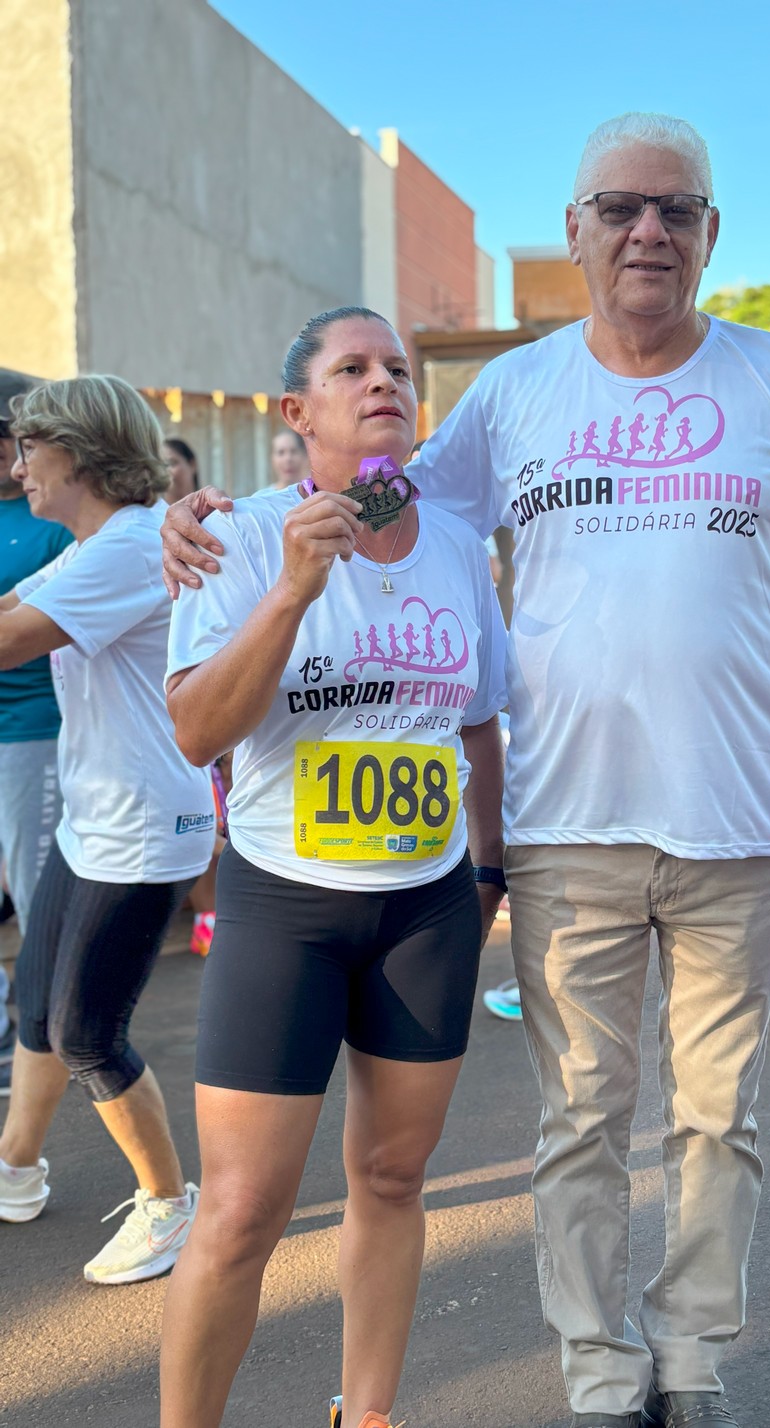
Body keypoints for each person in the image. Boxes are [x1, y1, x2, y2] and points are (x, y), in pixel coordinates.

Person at [161, 115, 770, 1428]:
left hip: (735, 826)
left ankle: (687, 1356)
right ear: (575, 233)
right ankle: (599, 1371)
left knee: (714, 1123)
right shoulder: (512, 395)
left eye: (675, 210)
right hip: (566, 830)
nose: (646, 232)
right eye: (616, 208)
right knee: (580, 1128)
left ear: (710, 233)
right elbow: (384, 497)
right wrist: (216, 511)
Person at [159, 305, 507, 1428]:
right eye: (352, 368)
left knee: (396, 1180)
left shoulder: (456, 544)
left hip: (427, 909)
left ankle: (368, 1416)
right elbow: (197, 732)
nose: (385, 383)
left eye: (398, 368)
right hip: (287, 907)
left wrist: (489, 874)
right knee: (244, 1210)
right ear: (295, 412)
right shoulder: (238, 535)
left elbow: (482, 722)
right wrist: (292, 589)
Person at [0, 375, 214, 1284]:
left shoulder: (126, 550)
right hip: (98, 820)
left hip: (145, 830)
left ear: (77, 456)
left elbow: (8, 642)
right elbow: (11, 613)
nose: (18, 467)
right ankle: (14, 1165)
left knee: (89, 1032)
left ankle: (171, 1204)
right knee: (37, 1005)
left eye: (28, 450)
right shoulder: (92, 544)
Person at [0, 370, 72, 1096]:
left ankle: (44, 1040)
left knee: (32, 893)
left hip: (30, 730)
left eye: (13, 438)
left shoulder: (55, 520)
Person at [163, 436, 201, 504]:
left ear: (192, 465)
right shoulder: (151, 512)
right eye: (160, 465)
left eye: (171, 463)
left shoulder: (213, 510)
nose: (165, 471)